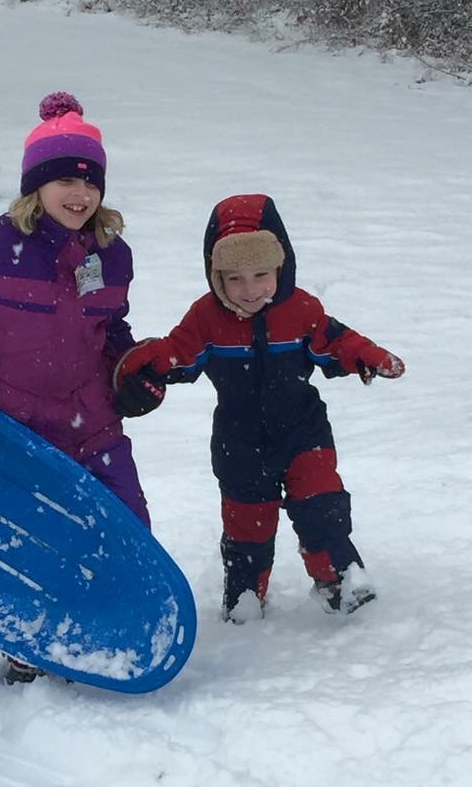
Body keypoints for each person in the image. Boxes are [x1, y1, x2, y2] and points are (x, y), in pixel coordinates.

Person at [0, 91, 151, 682]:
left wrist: (130, 371)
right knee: (26, 536)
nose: (79, 193)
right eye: (64, 179)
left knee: (127, 529)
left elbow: (110, 326)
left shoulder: (112, 255)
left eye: (89, 181)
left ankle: (107, 630)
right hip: (12, 426)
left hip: (92, 423)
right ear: (35, 186)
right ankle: (28, 642)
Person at [113, 193, 405, 623]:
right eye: (234, 279)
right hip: (239, 438)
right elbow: (178, 352)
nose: (250, 291)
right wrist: (142, 365)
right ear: (216, 275)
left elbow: (336, 341)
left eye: (261, 275)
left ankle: (340, 581)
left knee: (321, 504)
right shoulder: (206, 317)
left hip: (303, 430)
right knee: (246, 523)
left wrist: (366, 355)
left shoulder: (301, 309)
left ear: (280, 268)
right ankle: (245, 596)